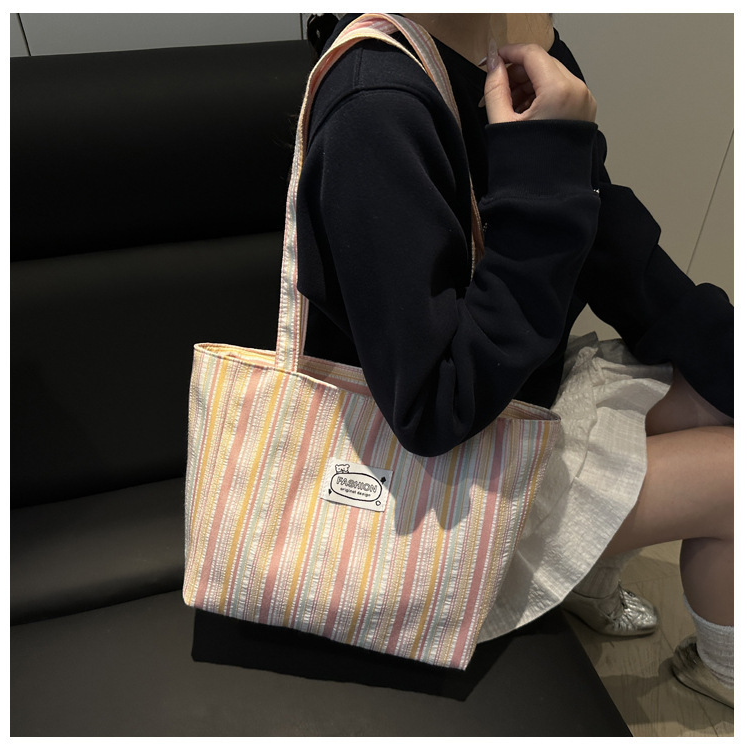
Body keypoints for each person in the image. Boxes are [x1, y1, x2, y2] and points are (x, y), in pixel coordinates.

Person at [298, 13, 734, 707]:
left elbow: (600, 233)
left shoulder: (516, 33)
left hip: (515, 402)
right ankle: (725, 674)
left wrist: (723, 348)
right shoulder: (375, 106)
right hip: (428, 486)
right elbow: (433, 410)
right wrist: (541, 179)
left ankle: (585, 577)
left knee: (715, 393)